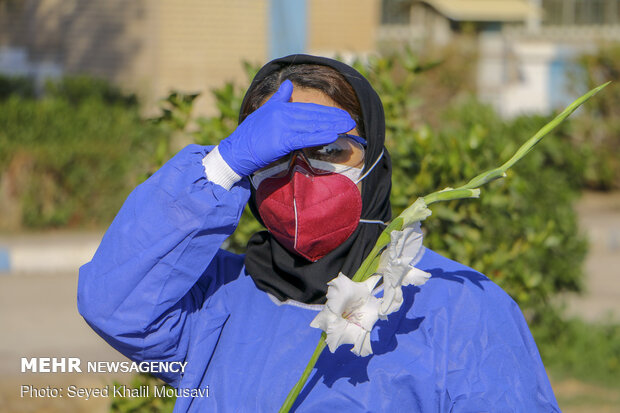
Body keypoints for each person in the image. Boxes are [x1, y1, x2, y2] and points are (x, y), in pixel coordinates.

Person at [78, 54, 560, 412]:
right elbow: (114, 306)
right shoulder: (215, 299)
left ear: (374, 165)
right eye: (272, 155)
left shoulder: (458, 307)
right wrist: (221, 165)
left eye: (329, 150)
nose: (299, 175)